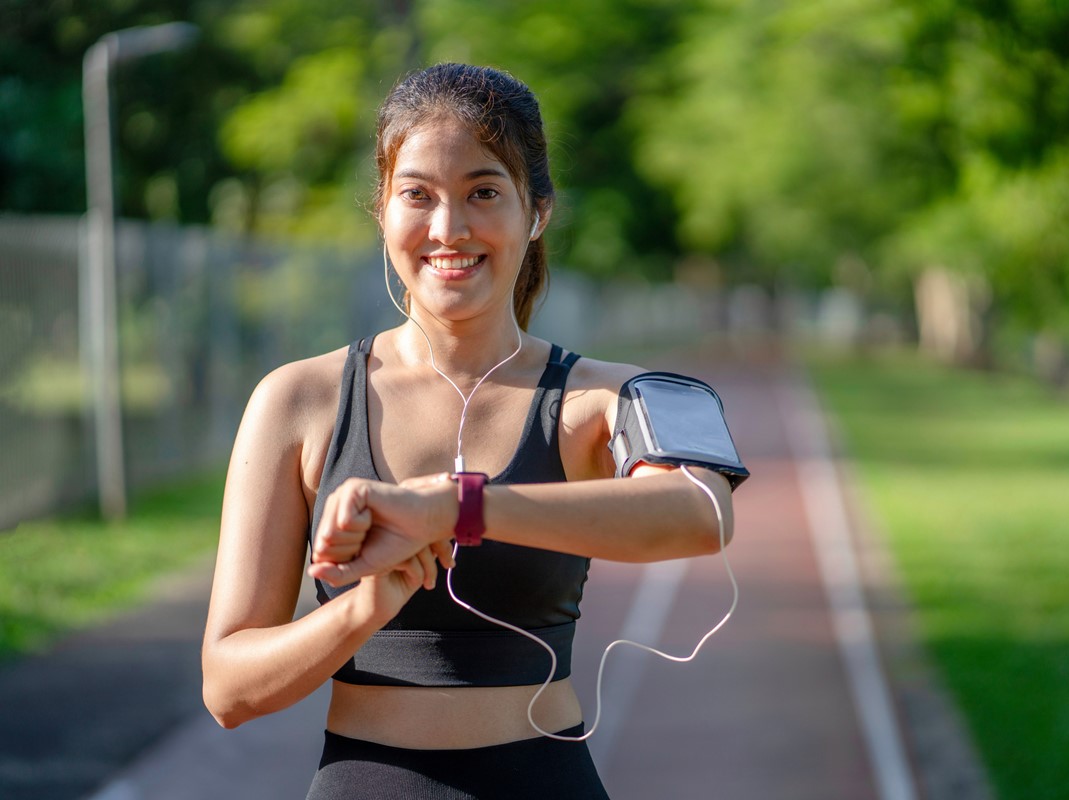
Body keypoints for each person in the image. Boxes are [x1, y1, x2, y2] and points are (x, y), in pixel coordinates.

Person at [201, 63, 739, 799]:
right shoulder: (298, 400)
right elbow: (229, 689)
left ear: (537, 210)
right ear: (382, 211)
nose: (448, 229)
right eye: (417, 195)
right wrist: (367, 604)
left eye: (483, 192)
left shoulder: (608, 396)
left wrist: (457, 507)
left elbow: (703, 512)